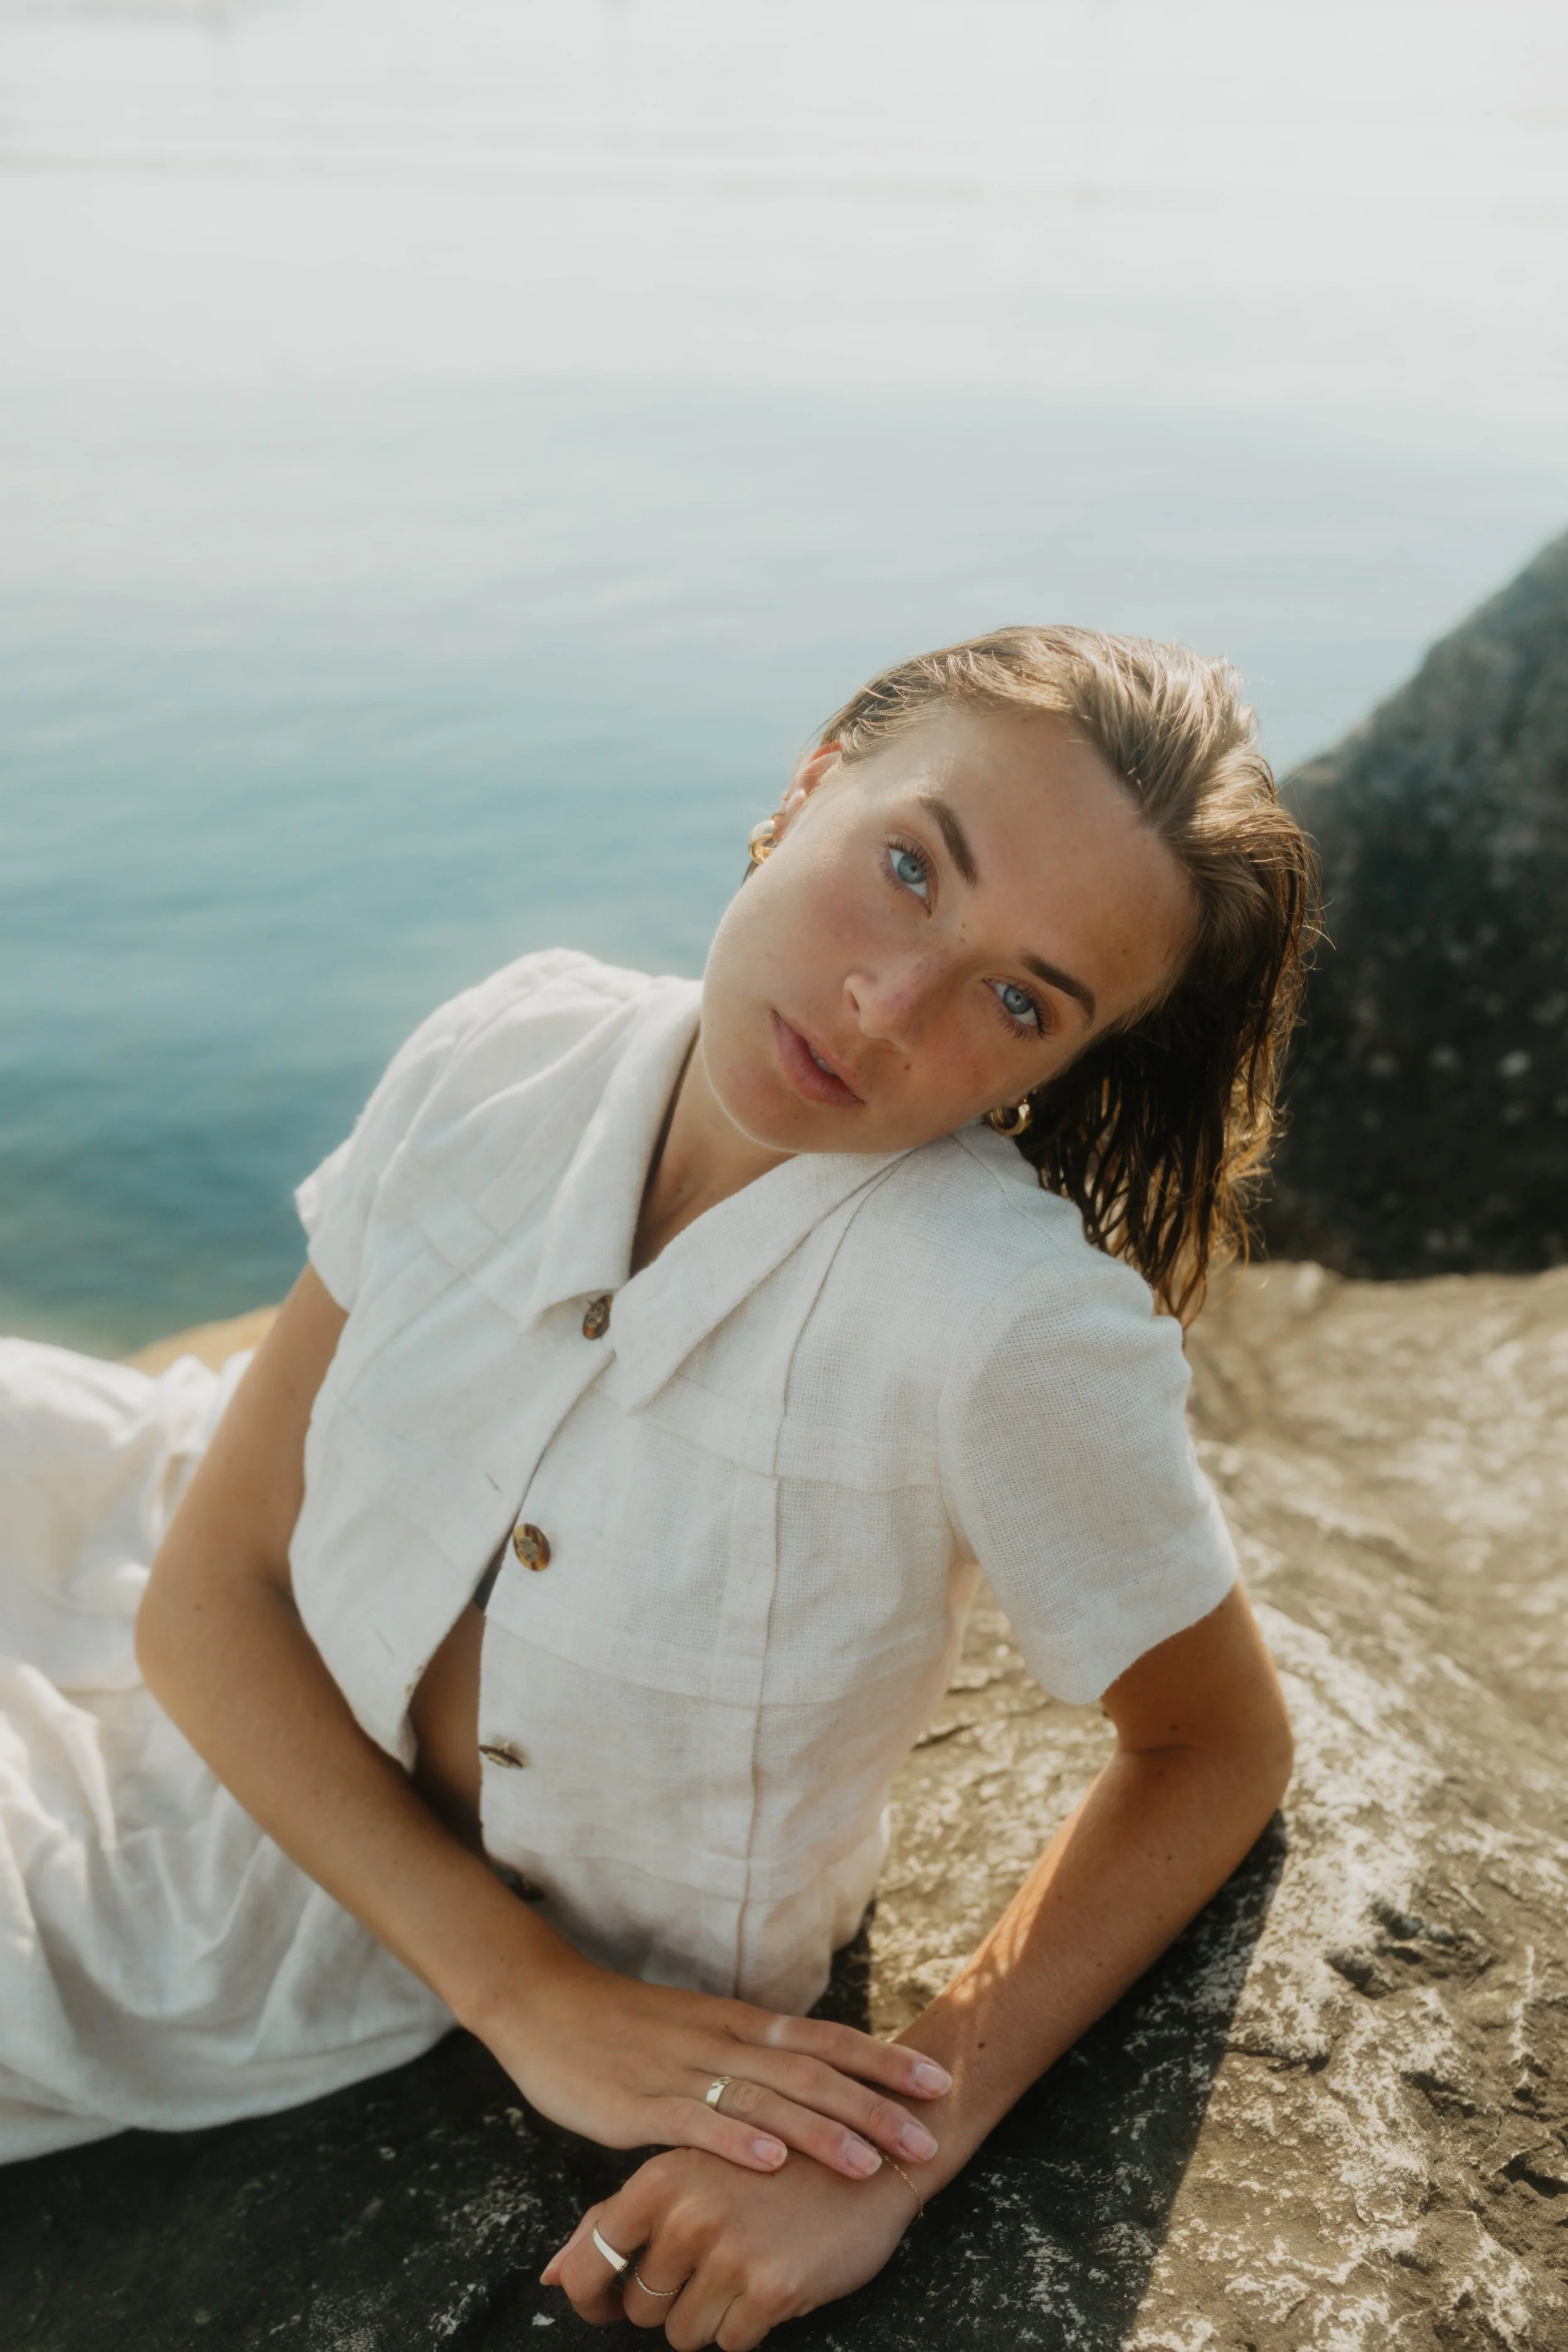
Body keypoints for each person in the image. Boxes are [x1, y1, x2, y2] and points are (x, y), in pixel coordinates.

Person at [1, 627, 1314, 2348]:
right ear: (806, 784)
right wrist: (519, 1992)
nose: (886, 1001)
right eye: (908, 866)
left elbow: (1215, 1744)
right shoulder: (512, 1036)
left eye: (1017, 998)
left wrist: (894, 2138)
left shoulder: (1006, 1327)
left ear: (1054, 1065)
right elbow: (209, 1578)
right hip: (128, 1514)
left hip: (262, 1877)